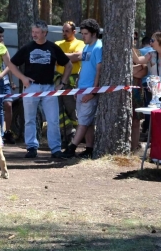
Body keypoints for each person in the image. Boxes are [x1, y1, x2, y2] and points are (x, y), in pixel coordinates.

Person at [10, 20, 72, 159]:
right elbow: (11, 64)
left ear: (45, 33)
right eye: (33, 32)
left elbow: (68, 65)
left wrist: (62, 83)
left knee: (53, 119)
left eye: (37, 32)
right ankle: (31, 147)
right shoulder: (27, 48)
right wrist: (23, 78)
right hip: (31, 87)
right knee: (30, 119)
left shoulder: (53, 47)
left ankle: (55, 149)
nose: (34, 35)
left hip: (49, 88)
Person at [62, 19, 103, 159]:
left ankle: (72, 148)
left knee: (83, 121)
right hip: (81, 89)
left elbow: (99, 70)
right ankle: (89, 148)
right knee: (88, 122)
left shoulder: (99, 47)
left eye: (85, 34)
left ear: (93, 34)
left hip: (89, 90)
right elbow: (83, 68)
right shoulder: (86, 47)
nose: (83, 36)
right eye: (82, 33)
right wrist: (77, 87)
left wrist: (93, 92)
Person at [55, 21, 84, 147]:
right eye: (63, 31)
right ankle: (67, 134)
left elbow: (77, 57)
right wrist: (68, 56)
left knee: (72, 108)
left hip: (73, 80)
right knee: (59, 110)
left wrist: (60, 57)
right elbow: (53, 57)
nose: (64, 33)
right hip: (57, 80)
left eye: (67, 31)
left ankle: (77, 136)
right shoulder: (57, 44)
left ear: (74, 32)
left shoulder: (80, 43)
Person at [0, 26, 17, 144]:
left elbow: (10, 65)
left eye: (3, 36)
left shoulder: (4, 48)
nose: (1, 38)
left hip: (6, 83)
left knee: (8, 105)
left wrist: (12, 81)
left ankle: (7, 131)